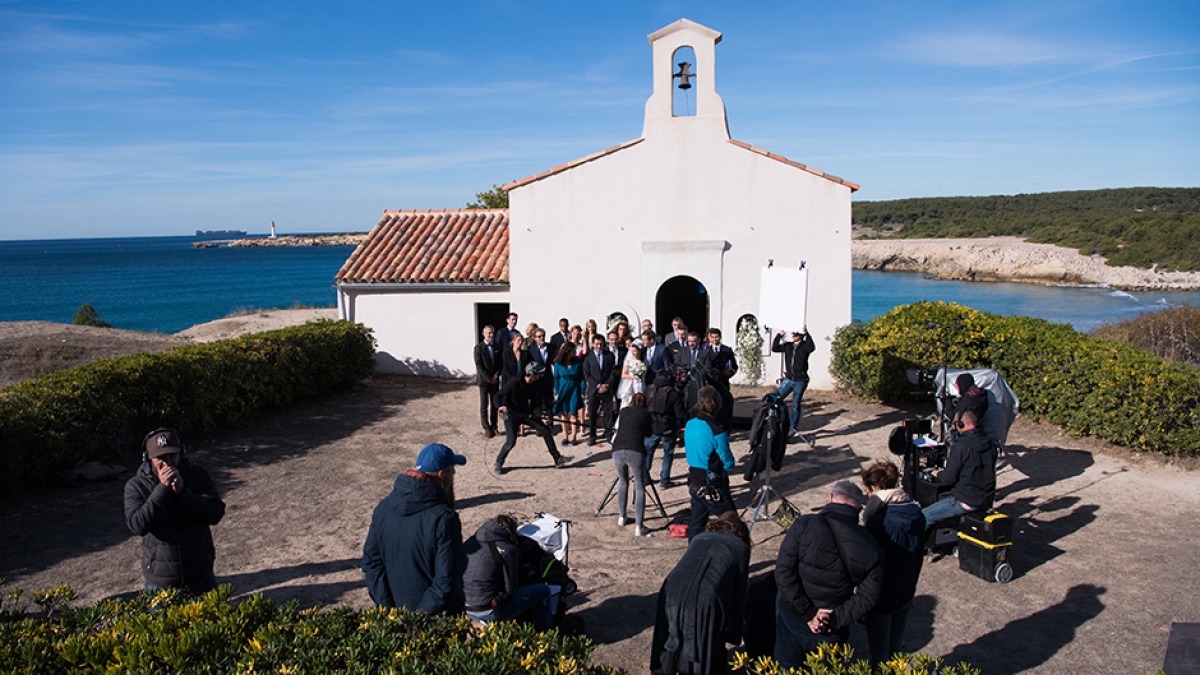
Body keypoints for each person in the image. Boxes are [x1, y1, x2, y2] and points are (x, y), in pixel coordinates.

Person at [774, 481, 883, 667]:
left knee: (786, 667)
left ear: (831, 497)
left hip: (793, 617)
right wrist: (834, 618)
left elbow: (784, 572)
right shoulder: (871, 546)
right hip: (832, 627)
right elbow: (868, 596)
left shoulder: (803, 525)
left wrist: (809, 614)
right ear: (858, 507)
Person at [362, 443, 467, 613]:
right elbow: (446, 580)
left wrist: (388, 609)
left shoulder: (383, 508)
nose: (454, 473)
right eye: (452, 468)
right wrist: (418, 619)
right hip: (436, 620)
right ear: (442, 474)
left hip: (395, 611)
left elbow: (371, 563)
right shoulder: (444, 519)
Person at [124, 429, 226, 594]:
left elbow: (215, 513)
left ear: (181, 454)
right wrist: (163, 490)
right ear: (148, 459)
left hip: (201, 575)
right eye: (161, 459)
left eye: (172, 456)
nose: (167, 464)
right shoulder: (136, 486)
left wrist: (182, 493)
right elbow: (138, 525)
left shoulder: (198, 475)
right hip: (161, 582)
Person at [650, 511, 751, 675]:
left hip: (671, 588)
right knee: (702, 652)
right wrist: (733, 634)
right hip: (704, 599)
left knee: (669, 642)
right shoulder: (741, 548)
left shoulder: (699, 538)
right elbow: (738, 596)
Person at [860, 460, 925, 667]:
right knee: (896, 645)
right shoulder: (917, 513)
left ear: (875, 489)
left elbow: (871, 564)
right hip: (905, 588)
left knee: (879, 651)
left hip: (883, 594)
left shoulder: (879, 522)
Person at [463, 514, 554, 631]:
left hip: (466, 605)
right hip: (487, 610)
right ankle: (544, 634)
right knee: (543, 591)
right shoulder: (507, 549)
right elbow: (511, 589)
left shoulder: (471, 542)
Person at [922, 409, 998, 529]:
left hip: (966, 501)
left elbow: (948, 479)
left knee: (923, 516)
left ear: (961, 424)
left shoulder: (960, 446)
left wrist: (937, 473)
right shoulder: (990, 444)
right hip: (986, 500)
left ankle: (917, 547)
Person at [494, 363, 567, 474]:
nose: (540, 376)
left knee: (546, 431)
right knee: (511, 441)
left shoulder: (536, 384)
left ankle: (557, 459)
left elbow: (535, 404)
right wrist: (500, 407)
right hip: (510, 414)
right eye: (538, 374)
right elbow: (497, 396)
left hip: (525, 412)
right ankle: (499, 462)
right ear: (532, 374)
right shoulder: (514, 382)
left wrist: (541, 416)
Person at [685, 386, 736, 540]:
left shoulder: (690, 424)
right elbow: (728, 460)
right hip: (712, 483)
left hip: (694, 479)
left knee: (697, 523)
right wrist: (728, 466)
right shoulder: (717, 432)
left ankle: (693, 553)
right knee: (732, 522)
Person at [612, 392, 655, 537]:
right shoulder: (646, 414)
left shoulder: (624, 411)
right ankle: (639, 525)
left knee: (623, 483)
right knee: (639, 486)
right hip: (635, 449)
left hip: (617, 448)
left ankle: (622, 516)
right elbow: (649, 433)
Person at [771, 327, 816, 437]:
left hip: (800, 380)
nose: (793, 335)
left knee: (796, 404)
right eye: (793, 334)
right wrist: (779, 336)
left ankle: (793, 427)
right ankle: (776, 422)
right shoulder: (788, 346)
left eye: (796, 334)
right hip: (789, 379)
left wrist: (806, 333)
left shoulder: (805, 346)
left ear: (800, 336)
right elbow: (775, 348)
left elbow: (811, 348)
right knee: (776, 398)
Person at [645, 371, 686, 489]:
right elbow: (679, 414)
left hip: (651, 426)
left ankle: (644, 477)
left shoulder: (648, 389)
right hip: (668, 427)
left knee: (648, 452)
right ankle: (664, 480)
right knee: (668, 454)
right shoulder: (672, 393)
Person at [583, 334, 618, 446]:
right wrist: (598, 386)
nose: (599, 346)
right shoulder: (588, 358)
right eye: (596, 344)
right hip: (594, 390)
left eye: (601, 344)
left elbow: (613, 371)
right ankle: (592, 436)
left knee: (608, 412)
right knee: (593, 413)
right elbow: (587, 375)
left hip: (607, 389)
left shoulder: (609, 355)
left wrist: (606, 384)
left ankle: (608, 433)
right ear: (593, 344)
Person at [552, 342, 585, 445]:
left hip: (575, 388)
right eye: (573, 351)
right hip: (563, 388)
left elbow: (582, 377)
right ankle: (565, 436)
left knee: (573, 412)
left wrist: (582, 390)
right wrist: (557, 391)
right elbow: (556, 378)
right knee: (564, 413)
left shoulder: (578, 362)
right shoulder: (558, 363)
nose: (575, 353)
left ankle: (574, 436)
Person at [474, 325, 502, 438]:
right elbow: (479, 365)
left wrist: (496, 376)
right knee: (484, 404)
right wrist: (488, 378)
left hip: (494, 381)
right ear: (483, 334)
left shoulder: (497, 347)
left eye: (492, 333)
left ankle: (494, 426)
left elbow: (500, 363)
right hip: (484, 381)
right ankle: (486, 427)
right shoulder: (478, 348)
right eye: (489, 333)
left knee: (495, 404)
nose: (491, 335)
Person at [618, 343, 647, 407]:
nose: (633, 353)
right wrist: (633, 376)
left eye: (635, 351)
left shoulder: (642, 361)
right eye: (632, 351)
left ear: (639, 351)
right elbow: (623, 375)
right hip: (631, 385)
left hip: (640, 384)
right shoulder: (629, 361)